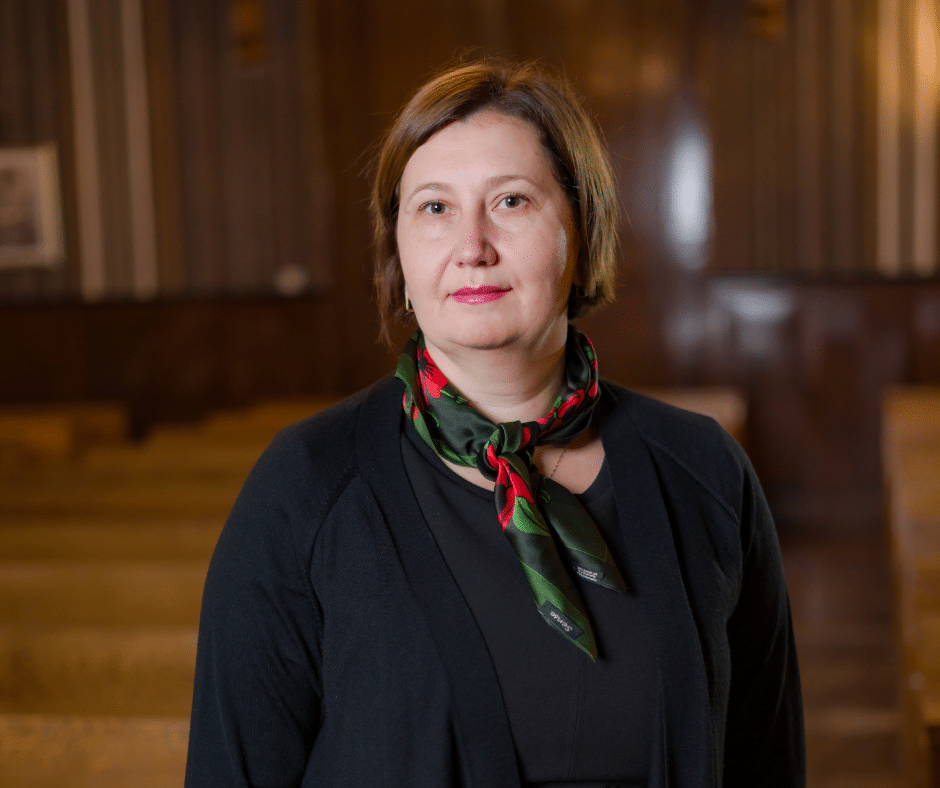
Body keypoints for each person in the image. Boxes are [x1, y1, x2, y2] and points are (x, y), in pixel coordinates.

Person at [185, 59, 805, 787]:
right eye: (435, 209)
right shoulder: (306, 485)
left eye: (511, 201)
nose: (471, 247)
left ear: (583, 232)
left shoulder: (703, 470)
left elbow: (767, 763)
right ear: (399, 255)